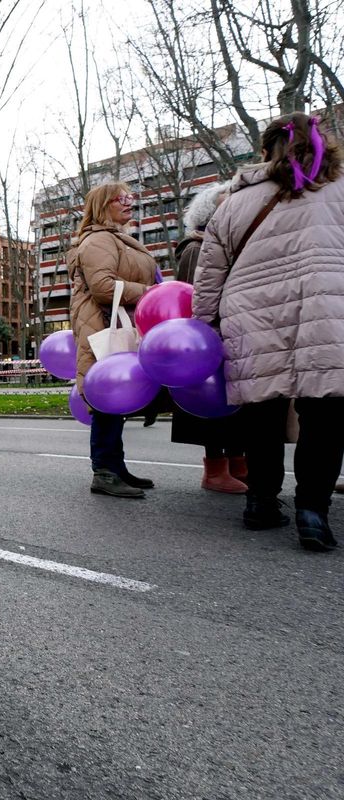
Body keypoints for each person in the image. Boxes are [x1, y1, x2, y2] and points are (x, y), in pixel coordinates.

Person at [193, 112, 344, 552]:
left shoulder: (235, 203)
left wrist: (205, 327)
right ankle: (312, 511)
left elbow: (209, 274)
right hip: (327, 308)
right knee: (325, 413)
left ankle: (260, 501)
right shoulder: (339, 190)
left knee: (262, 411)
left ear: (264, 150)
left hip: (250, 316)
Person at [68, 180, 159, 499]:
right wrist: (150, 293)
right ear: (102, 205)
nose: (129, 202)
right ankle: (104, 471)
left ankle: (115, 467)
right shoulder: (98, 241)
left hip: (116, 322)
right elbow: (104, 287)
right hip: (101, 325)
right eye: (121, 198)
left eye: (131, 196)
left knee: (117, 398)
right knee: (107, 396)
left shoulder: (118, 238)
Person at [171, 181, 248, 494]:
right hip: (206, 340)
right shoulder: (195, 248)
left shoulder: (225, 244)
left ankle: (239, 463)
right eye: (223, 201)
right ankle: (215, 470)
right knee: (213, 403)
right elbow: (194, 295)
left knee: (236, 403)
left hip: (230, 334)